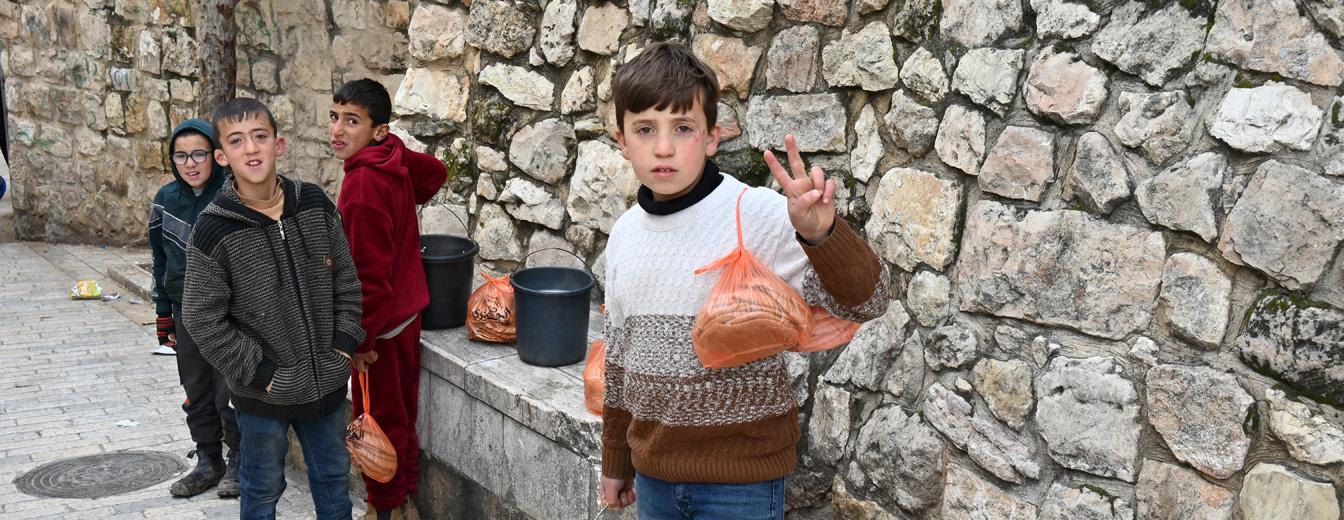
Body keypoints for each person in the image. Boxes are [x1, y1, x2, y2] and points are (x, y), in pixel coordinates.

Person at [597, 42, 891, 518]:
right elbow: (618, 357)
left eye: (684, 128)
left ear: (713, 137)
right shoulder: (625, 234)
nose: (664, 147)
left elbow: (869, 301)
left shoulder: (755, 215)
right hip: (653, 478)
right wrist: (617, 461)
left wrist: (822, 234)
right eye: (646, 129)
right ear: (622, 140)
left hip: (743, 482)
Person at [182, 98, 365, 520]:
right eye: (237, 141)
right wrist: (262, 373)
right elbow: (203, 319)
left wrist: (341, 349)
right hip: (262, 396)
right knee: (262, 491)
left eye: (260, 137)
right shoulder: (214, 230)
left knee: (334, 484)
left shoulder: (315, 205)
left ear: (278, 145)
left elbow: (347, 283)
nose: (252, 149)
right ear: (222, 157)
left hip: (327, 389)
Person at [329, 78, 446, 520]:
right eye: (335, 117)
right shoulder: (389, 161)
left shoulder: (361, 188)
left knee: (376, 420)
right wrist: (391, 146)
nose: (338, 130)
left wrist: (359, 344)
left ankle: (384, 509)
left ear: (378, 129)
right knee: (401, 416)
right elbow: (435, 173)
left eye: (352, 121)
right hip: (408, 314)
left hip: (380, 328)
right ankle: (404, 500)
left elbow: (367, 280)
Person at [149, 118, 240, 498]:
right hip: (187, 314)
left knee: (229, 392)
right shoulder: (166, 200)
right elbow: (160, 260)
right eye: (181, 156)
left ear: (216, 156)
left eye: (199, 154)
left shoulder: (232, 197)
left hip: (230, 314)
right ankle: (208, 461)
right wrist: (163, 311)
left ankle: (239, 461)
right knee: (197, 389)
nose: (191, 163)